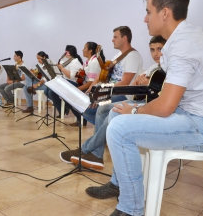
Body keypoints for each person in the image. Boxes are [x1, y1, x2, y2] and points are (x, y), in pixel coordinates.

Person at [93, 0, 203, 216]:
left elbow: (165, 106)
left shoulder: (184, 43)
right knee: (116, 111)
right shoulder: (184, 38)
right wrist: (131, 109)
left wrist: (134, 112)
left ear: (164, 13)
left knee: (120, 128)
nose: (145, 18)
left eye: (148, 11)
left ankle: (131, 209)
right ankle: (119, 183)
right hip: (192, 116)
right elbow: (168, 100)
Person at [60, 36, 166, 171]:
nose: (155, 53)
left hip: (143, 103)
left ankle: (87, 149)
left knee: (113, 111)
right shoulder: (152, 67)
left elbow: (160, 94)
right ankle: (97, 154)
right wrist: (139, 81)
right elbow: (134, 83)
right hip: (136, 98)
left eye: (159, 49)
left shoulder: (166, 68)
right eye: (152, 50)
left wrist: (146, 84)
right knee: (101, 109)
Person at [82, 26, 143, 125]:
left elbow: (125, 83)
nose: (112, 40)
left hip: (123, 95)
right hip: (111, 91)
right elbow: (104, 71)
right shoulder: (118, 55)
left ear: (124, 38)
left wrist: (101, 91)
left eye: (115, 37)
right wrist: (92, 86)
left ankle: (102, 133)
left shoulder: (132, 56)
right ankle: (104, 129)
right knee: (83, 103)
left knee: (96, 106)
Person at [69, 42, 103, 126]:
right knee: (67, 90)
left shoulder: (94, 62)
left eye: (84, 48)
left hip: (93, 88)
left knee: (70, 95)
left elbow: (91, 82)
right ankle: (80, 118)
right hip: (86, 85)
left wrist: (77, 89)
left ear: (90, 51)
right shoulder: (88, 61)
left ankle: (82, 119)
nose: (82, 50)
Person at [44, 45, 83, 118]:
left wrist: (61, 68)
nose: (65, 54)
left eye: (66, 52)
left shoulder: (75, 62)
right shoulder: (67, 61)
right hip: (65, 81)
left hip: (72, 83)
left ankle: (63, 108)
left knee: (51, 92)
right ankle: (63, 107)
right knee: (46, 90)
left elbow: (71, 76)